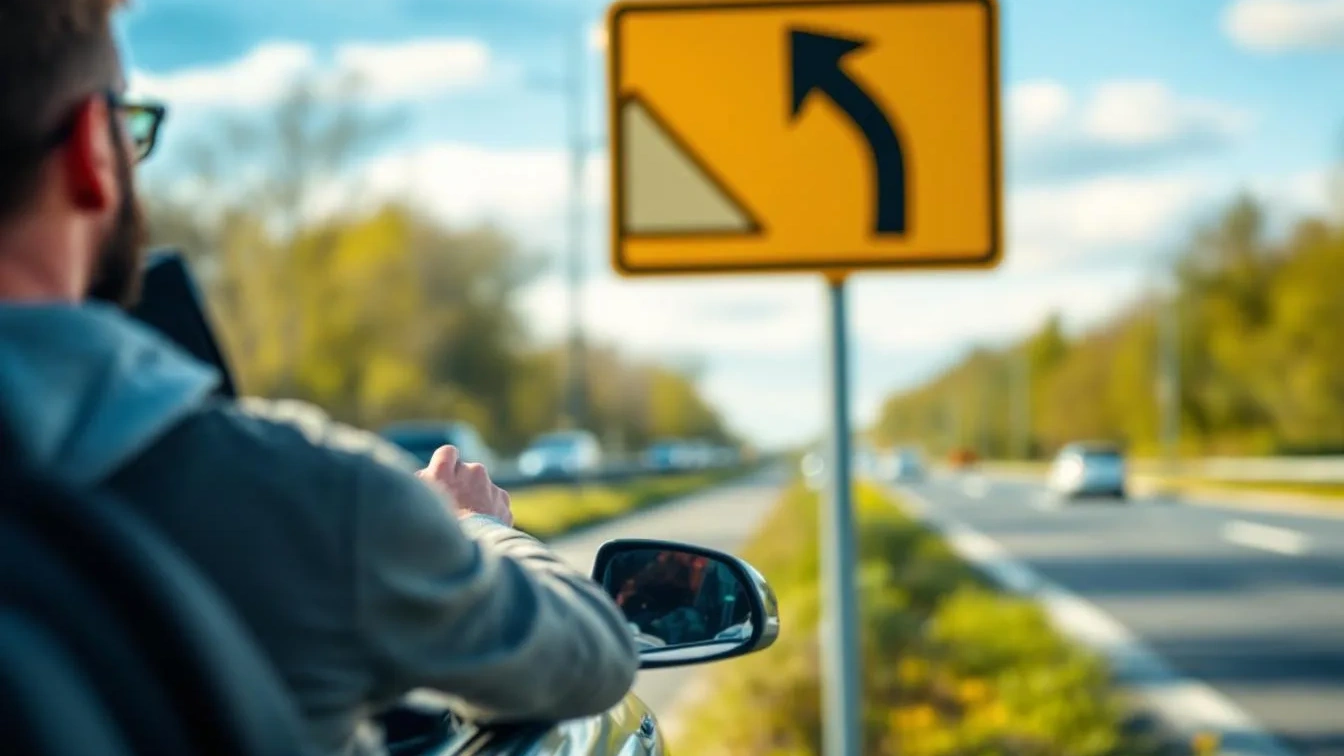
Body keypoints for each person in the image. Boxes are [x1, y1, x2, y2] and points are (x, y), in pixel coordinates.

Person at [0, 3, 638, 755]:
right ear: (93, 153)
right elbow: (592, 658)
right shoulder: (303, 502)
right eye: (131, 129)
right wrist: (471, 529)